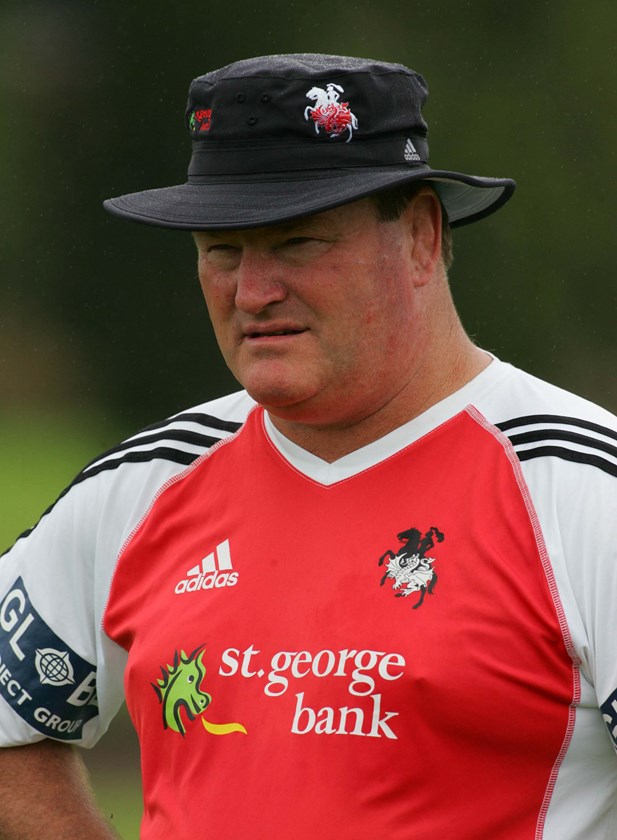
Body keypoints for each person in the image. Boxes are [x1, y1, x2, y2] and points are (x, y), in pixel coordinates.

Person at [0, 53, 615, 840]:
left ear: (421, 236)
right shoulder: (147, 481)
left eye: (297, 242)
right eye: (222, 249)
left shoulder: (581, 490)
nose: (252, 292)